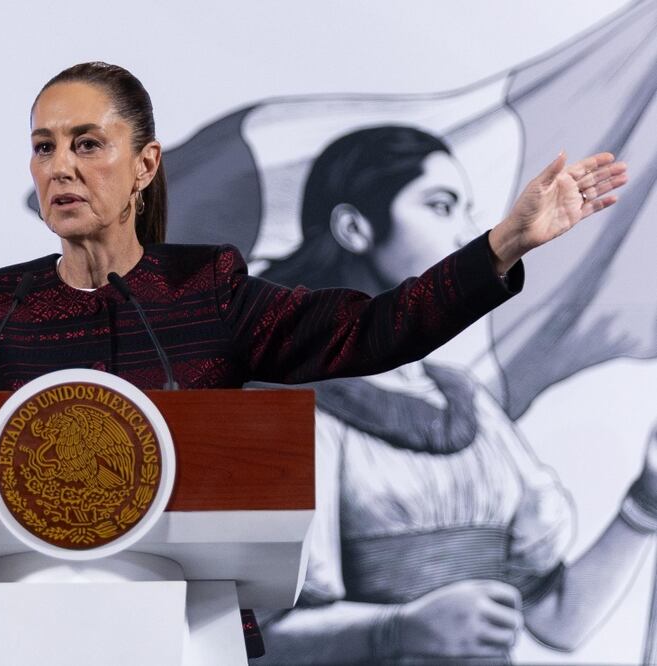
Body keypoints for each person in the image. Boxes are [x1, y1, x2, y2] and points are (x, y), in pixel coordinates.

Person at [0, 60, 628, 639]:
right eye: (43, 146)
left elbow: (378, 328)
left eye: (85, 144)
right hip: (20, 632)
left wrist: (499, 245)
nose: (59, 166)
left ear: (143, 167)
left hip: (185, 635)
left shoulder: (209, 288)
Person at [250, 126, 656, 664]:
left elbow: (557, 621)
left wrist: (647, 500)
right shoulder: (285, 403)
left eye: (468, 210)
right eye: (441, 206)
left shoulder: (469, 406)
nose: (466, 232)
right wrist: (397, 630)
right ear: (354, 228)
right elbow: (251, 634)